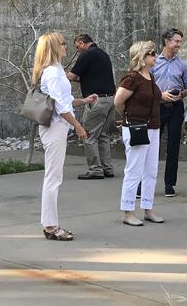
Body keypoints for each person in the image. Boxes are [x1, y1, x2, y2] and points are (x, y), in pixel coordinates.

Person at [34, 32, 96, 240]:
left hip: (58, 126)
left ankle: (51, 224)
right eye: (62, 44)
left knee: (54, 176)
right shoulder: (52, 72)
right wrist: (78, 125)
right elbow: (61, 107)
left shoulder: (57, 70)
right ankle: (50, 225)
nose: (66, 47)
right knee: (53, 177)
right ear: (53, 48)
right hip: (54, 127)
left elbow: (66, 100)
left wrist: (84, 100)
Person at [115, 41, 164, 226]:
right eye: (152, 53)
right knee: (134, 170)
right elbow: (118, 101)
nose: (155, 56)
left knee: (151, 170)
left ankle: (148, 208)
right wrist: (128, 117)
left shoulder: (150, 76)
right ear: (142, 58)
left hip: (153, 127)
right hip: (136, 128)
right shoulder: (132, 78)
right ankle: (127, 211)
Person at [67, 34, 116, 180]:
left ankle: (95, 169)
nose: (77, 51)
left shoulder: (87, 55)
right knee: (103, 135)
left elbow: (70, 76)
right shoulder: (103, 54)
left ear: (82, 43)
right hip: (110, 99)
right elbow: (91, 76)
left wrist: (55, 75)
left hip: (97, 100)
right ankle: (107, 168)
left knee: (88, 134)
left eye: (77, 47)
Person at [151, 28, 187, 197]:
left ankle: (169, 184)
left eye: (180, 42)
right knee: (152, 146)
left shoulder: (182, 65)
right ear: (167, 42)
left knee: (173, 146)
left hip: (176, 108)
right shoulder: (153, 62)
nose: (179, 45)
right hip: (157, 107)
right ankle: (146, 184)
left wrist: (181, 94)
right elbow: (146, 85)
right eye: (176, 41)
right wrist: (161, 95)